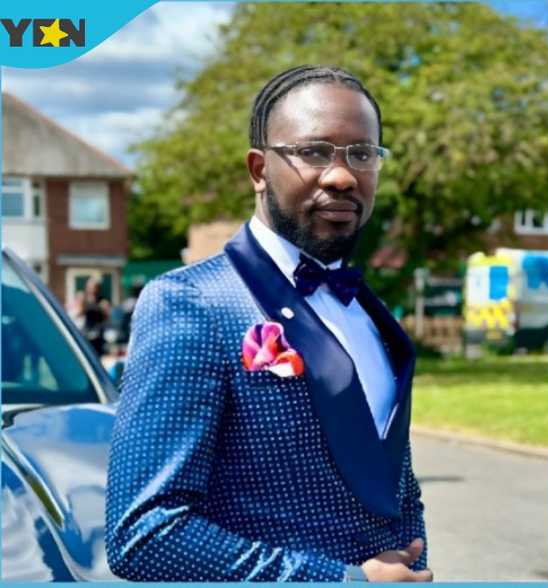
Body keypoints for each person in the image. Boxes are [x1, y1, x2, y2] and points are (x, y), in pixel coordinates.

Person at [106, 65, 431, 582]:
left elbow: (396, 485)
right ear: (259, 169)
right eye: (315, 152)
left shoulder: (374, 315)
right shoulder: (190, 305)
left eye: (362, 154)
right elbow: (144, 535)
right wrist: (342, 581)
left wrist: (416, 558)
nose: (343, 175)